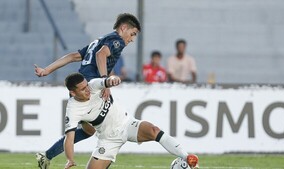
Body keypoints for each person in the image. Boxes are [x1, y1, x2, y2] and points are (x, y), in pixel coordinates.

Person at [34, 13, 141, 169]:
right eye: (132, 34)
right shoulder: (117, 41)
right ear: (123, 28)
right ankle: (101, 158)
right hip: (89, 87)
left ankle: (46, 156)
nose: (132, 39)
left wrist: (46, 70)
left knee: (88, 130)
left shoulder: (99, 40)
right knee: (111, 124)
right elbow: (101, 55)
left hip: (80, 85)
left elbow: (72, 56)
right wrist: (105, 82)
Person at [63, 73, 199, 169]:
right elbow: (69, 138)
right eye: (82, 89)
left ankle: (188, 159)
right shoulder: (73, 110)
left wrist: (114, 80)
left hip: (127, 123)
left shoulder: (92, 86)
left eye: (86, 85)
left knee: (154, 130)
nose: (87, 90)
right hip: (109, 139)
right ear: (73, 93)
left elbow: (108, 80)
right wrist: (70, 159)